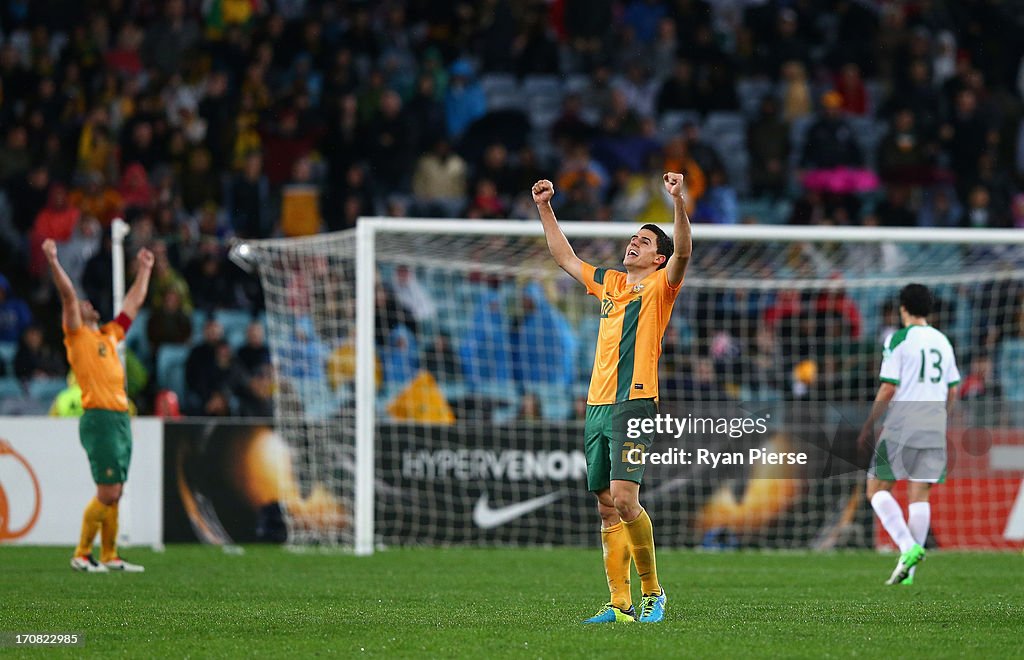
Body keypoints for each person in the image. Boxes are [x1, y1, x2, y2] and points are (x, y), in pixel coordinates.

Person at [533, 172, 691, 623]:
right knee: (606, 506)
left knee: (625, 498)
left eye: (644, 241)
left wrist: (677, 201)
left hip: (635, 401)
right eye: (633, 238)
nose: (633, 244)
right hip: (597, 405)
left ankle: (653, 593)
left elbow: (684, 250)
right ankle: (618, 605)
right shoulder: (609, 282)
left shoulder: (663, 286)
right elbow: (563, 256)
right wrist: (545, 206)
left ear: (658, 258)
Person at [42, 237, 154, 573]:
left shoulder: (108, 334)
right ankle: (81, 553)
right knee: (107, 492)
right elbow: (67, 295)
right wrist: (52, 260)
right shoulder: (77, 336)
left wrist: (145, 269)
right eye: (84, 303)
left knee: (115, 491)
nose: (87, 303)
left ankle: (109, 555)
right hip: (100, 419)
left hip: (119, 418)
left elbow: (133, 303)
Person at [857, 284, 960, 586]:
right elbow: (952, 389)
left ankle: (907, 547)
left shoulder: (898, 339)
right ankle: (908, 573)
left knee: (876, 490)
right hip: (933, 422)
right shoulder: (943, 341)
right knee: (920, 494)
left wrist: (870, 422)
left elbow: (889, 386)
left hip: (903, 421)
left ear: (903, 308)